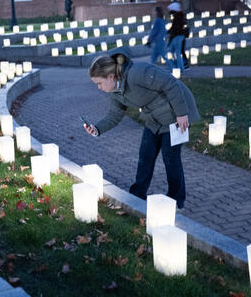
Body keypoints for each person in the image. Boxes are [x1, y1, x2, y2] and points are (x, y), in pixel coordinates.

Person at [84, 47, 200, 209]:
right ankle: (137, 195)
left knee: (170, 158)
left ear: (110, 76)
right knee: (145, 155)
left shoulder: (137, 73)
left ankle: (176, 200)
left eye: (99, 83)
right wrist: (97, 129)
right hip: (154, 119)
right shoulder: (115, 91)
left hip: (175, 113)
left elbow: (170, 83)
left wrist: (181, 113)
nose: (99, 87)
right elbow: (114, 115)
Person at [166, 2, 186, 74]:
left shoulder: (177, 17)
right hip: (178, 36)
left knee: (175, 53)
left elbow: (175, 28)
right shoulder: (179, 16)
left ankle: (179, 69)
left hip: (176, 37)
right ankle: (176, 67)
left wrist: (169, 32)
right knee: (172, 52)